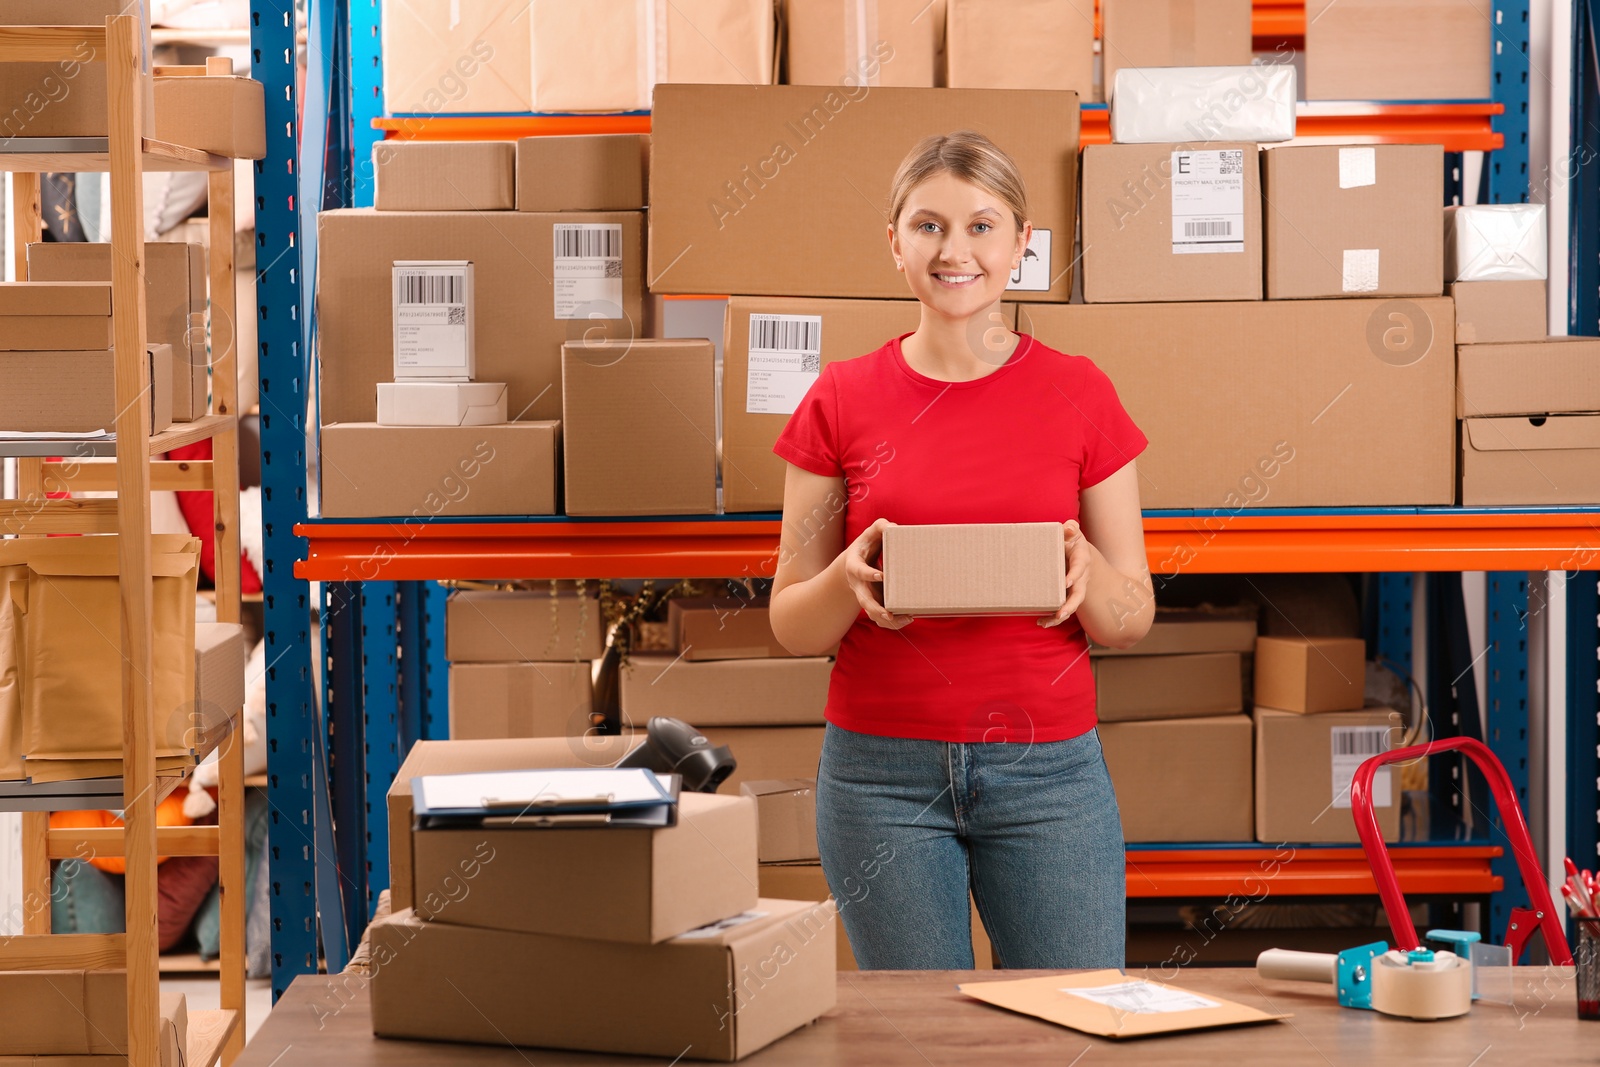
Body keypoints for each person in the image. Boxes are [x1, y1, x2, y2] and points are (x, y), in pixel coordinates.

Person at [768, 130, 1155, 970]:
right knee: (921, 1045)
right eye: (929, 225)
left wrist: (1090, 577)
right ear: (895, 243)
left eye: (983, 226)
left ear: (1022, 243)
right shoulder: (840, 398)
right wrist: (848, 576)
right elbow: (793, 622)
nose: (955, 250)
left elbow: (1132, 616)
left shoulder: (1079, 391)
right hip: (880, 777)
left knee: (1072, 1027)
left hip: (1049, 772)